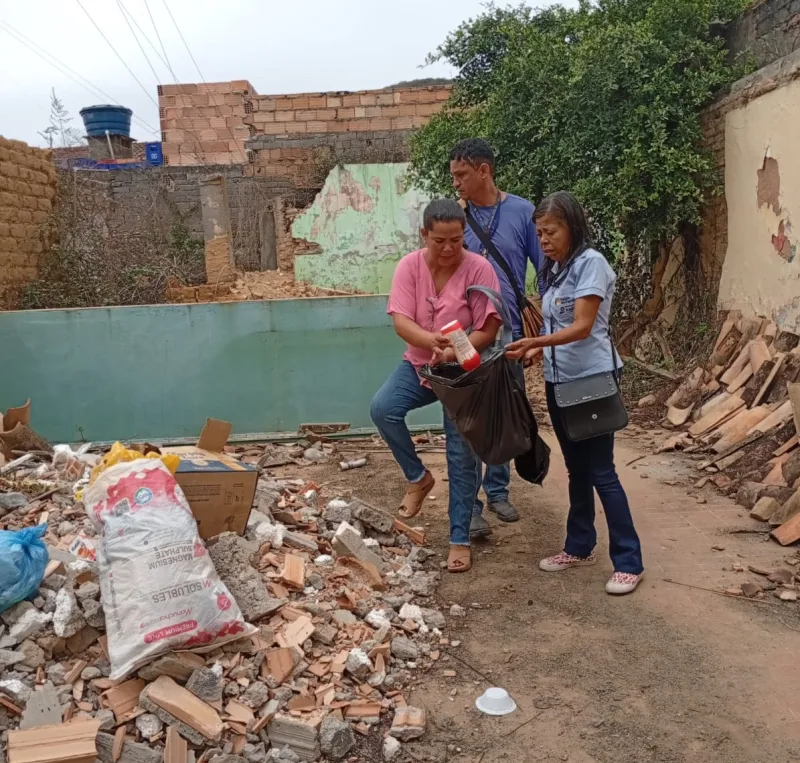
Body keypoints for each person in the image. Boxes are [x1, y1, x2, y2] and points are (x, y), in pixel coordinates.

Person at [506, 191, 644, 595]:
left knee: (602, 470)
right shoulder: (553, 270)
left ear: (572, 227)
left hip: (592, 381)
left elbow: (583, 326)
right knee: (576, 469)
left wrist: (538, 343)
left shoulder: (591, 264)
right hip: (559, 382)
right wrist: (538, 351)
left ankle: (629, 561)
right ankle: (579, 545)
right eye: (539, 233)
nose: (543, 240)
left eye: (551, 231)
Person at [370, 199, 502, 574]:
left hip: (462, 375)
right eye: (439, 241)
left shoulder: (479, 269)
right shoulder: (409, 266)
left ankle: (459, 538)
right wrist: (431, 343)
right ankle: (418, 477)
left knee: (461, 454)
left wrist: (455, 351)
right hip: (420, 365)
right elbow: (400, 321)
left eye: (456, 241)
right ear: (424, 235)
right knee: (383, 409)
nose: (448, 249)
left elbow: (488, 329)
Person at [450, 138, 545, 538]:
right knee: (468, 418)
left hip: (511, 335)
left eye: (462, 175)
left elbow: (545, 268)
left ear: (484, 171)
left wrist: (541, 335)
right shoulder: (453, 218)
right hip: (465, 335)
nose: (455, 183)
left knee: (505, 413)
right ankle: (469, 506)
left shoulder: (523, 212)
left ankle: (499, 491)